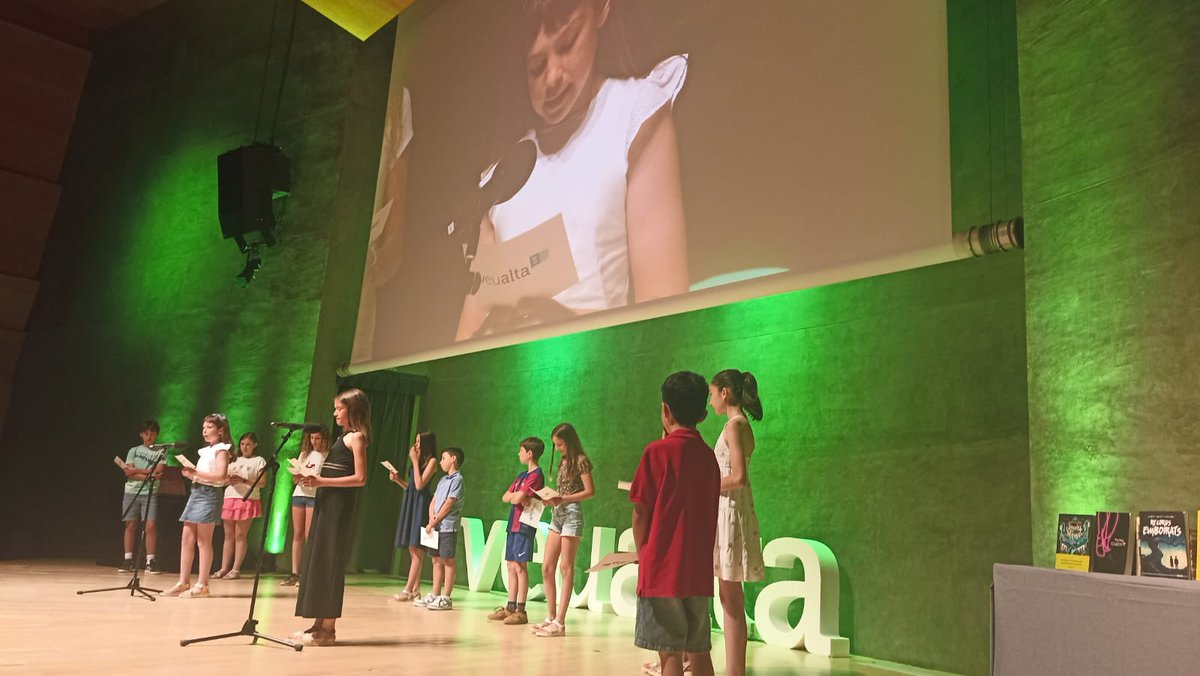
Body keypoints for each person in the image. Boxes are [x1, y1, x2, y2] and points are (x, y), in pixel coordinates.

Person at [455, 0, 689, 339]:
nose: (552, 78)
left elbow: (662, 300)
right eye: (536, 66)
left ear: (601, 11)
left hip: (595, 364)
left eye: (567, 44)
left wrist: (553, 319)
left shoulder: (633, 112)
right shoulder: (502, 171)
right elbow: (474, 317)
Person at [630, 372, 719, 676]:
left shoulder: (656, 452)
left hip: (662, 568)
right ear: (703, 415)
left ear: (665, 410)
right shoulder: (709, 457)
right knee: (700, 650)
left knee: (670, 654)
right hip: (697, 570)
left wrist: (644, 553)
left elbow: (641, 512)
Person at [292, 388, 371, 646]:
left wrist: (321, 480)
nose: (335, 413)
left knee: (330, 561)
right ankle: (317, 624)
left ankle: (328, 630)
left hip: (338, 508)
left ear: (353, 409)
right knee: (318, 560)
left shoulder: (356, 438)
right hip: (327, 502)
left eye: (339, 408)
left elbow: (361, 478)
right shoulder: (343, 438)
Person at [708, 370, 766, 676]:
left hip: (729, 510)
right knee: (729, 595)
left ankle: (735, 671)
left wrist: (705, 484)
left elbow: (739, 477)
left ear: (725, 392)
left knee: (730, 595)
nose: (711, 399)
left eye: (713, 392)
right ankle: (734, 669)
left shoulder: (735, 426)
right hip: (729, 509)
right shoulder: (738, 426)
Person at [532, 422, 594, 637]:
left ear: (569, 441)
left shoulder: (581, 461)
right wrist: (551, 499)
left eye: (560, 444)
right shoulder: (562, 461)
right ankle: (550, 616)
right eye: (556, 445)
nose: (557, 448)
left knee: (566, 567)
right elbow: (561, 489)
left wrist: (563, 498)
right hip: (557, 514)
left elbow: (589, 491)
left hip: (572, 514)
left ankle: (560, 621)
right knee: (547, 566)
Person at [160, 414, 233, 598]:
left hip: (209, 495)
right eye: (204, 427)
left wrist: (197, 472)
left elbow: (221, 476)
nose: (205, 430)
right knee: (186, 538)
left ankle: (203, 585)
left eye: (209, 427)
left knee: (203, 540)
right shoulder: (206, 450)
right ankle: (183, 582)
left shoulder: (221, 450)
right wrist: (192, 475)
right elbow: (204, 474)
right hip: (196, 492)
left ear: (220, 430)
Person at [486, 437, 546, 625]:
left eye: (521, 450)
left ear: (530, 453)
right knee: (511, 565)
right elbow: (507, 497)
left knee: (520, 566)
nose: (518, 453)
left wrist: (517, 497)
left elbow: (516, 498)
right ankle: (510, 607)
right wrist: (516, 496)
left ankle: (521, 610)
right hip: (512, 524)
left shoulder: (536, 475)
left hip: (524, 526)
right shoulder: (521, 476)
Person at [388, 431, 439, 603]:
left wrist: (415, 462)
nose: (416, 445)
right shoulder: (420, 461)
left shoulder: (432, 461)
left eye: (419, 442)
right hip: (411, 502)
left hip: (421, 506)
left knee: (416, 548)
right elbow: (410, 487)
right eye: (415, 441)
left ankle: (408, 590)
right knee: (412, 548)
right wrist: (398, 480)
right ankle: (415, 590)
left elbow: (419, 485)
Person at [213, 431, 267, 580]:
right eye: (242, 444)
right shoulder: (233, 460)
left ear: (255, 445)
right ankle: (224, 568)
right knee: (228, 535)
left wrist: (244, 481)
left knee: (240, 535)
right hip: (230, 497)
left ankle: (236, 569)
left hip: (247, 499)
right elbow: (221, 480)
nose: (245, 447)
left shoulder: (259, 461)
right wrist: (228, 480)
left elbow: (262, 482)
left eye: (248, 444)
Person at [281, 425, 330, 587]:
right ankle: (295, 572)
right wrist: (298, 477)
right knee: (298, 534)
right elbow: (294, 478)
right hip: (299, 494)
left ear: (324, 439)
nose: (314, 441)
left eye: (317, 438)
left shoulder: (326, 455)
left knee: (310, 534)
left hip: (314, 496)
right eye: (312, 438)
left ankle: (308, 573)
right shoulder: (304, 454)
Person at [119, 419, 164, 574]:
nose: (149, 436)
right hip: (131, 491)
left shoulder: (160, 452)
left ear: (156, 435)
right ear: (141, 435)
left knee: (150, 525)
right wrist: (147, 473)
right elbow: (127, 471)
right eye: (146, 433)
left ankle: (150, 560)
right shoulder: (134, 450)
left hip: (150, 492)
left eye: (152, 433)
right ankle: (127, 558)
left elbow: (157, 472)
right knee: (130, 525)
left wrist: (136, 471)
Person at [423, 447, 465, 611]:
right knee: (436, 559)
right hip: (435, 525)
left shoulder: (457, 480)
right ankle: (435, 594)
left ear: (453, 459)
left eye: (444, 458)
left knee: (447, 560)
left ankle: (446, 597)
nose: (441, 461)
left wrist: (435, 521)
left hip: (448, 525)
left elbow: (449, 503)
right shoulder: (442, 480)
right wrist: (431, 520)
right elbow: (434, 501)